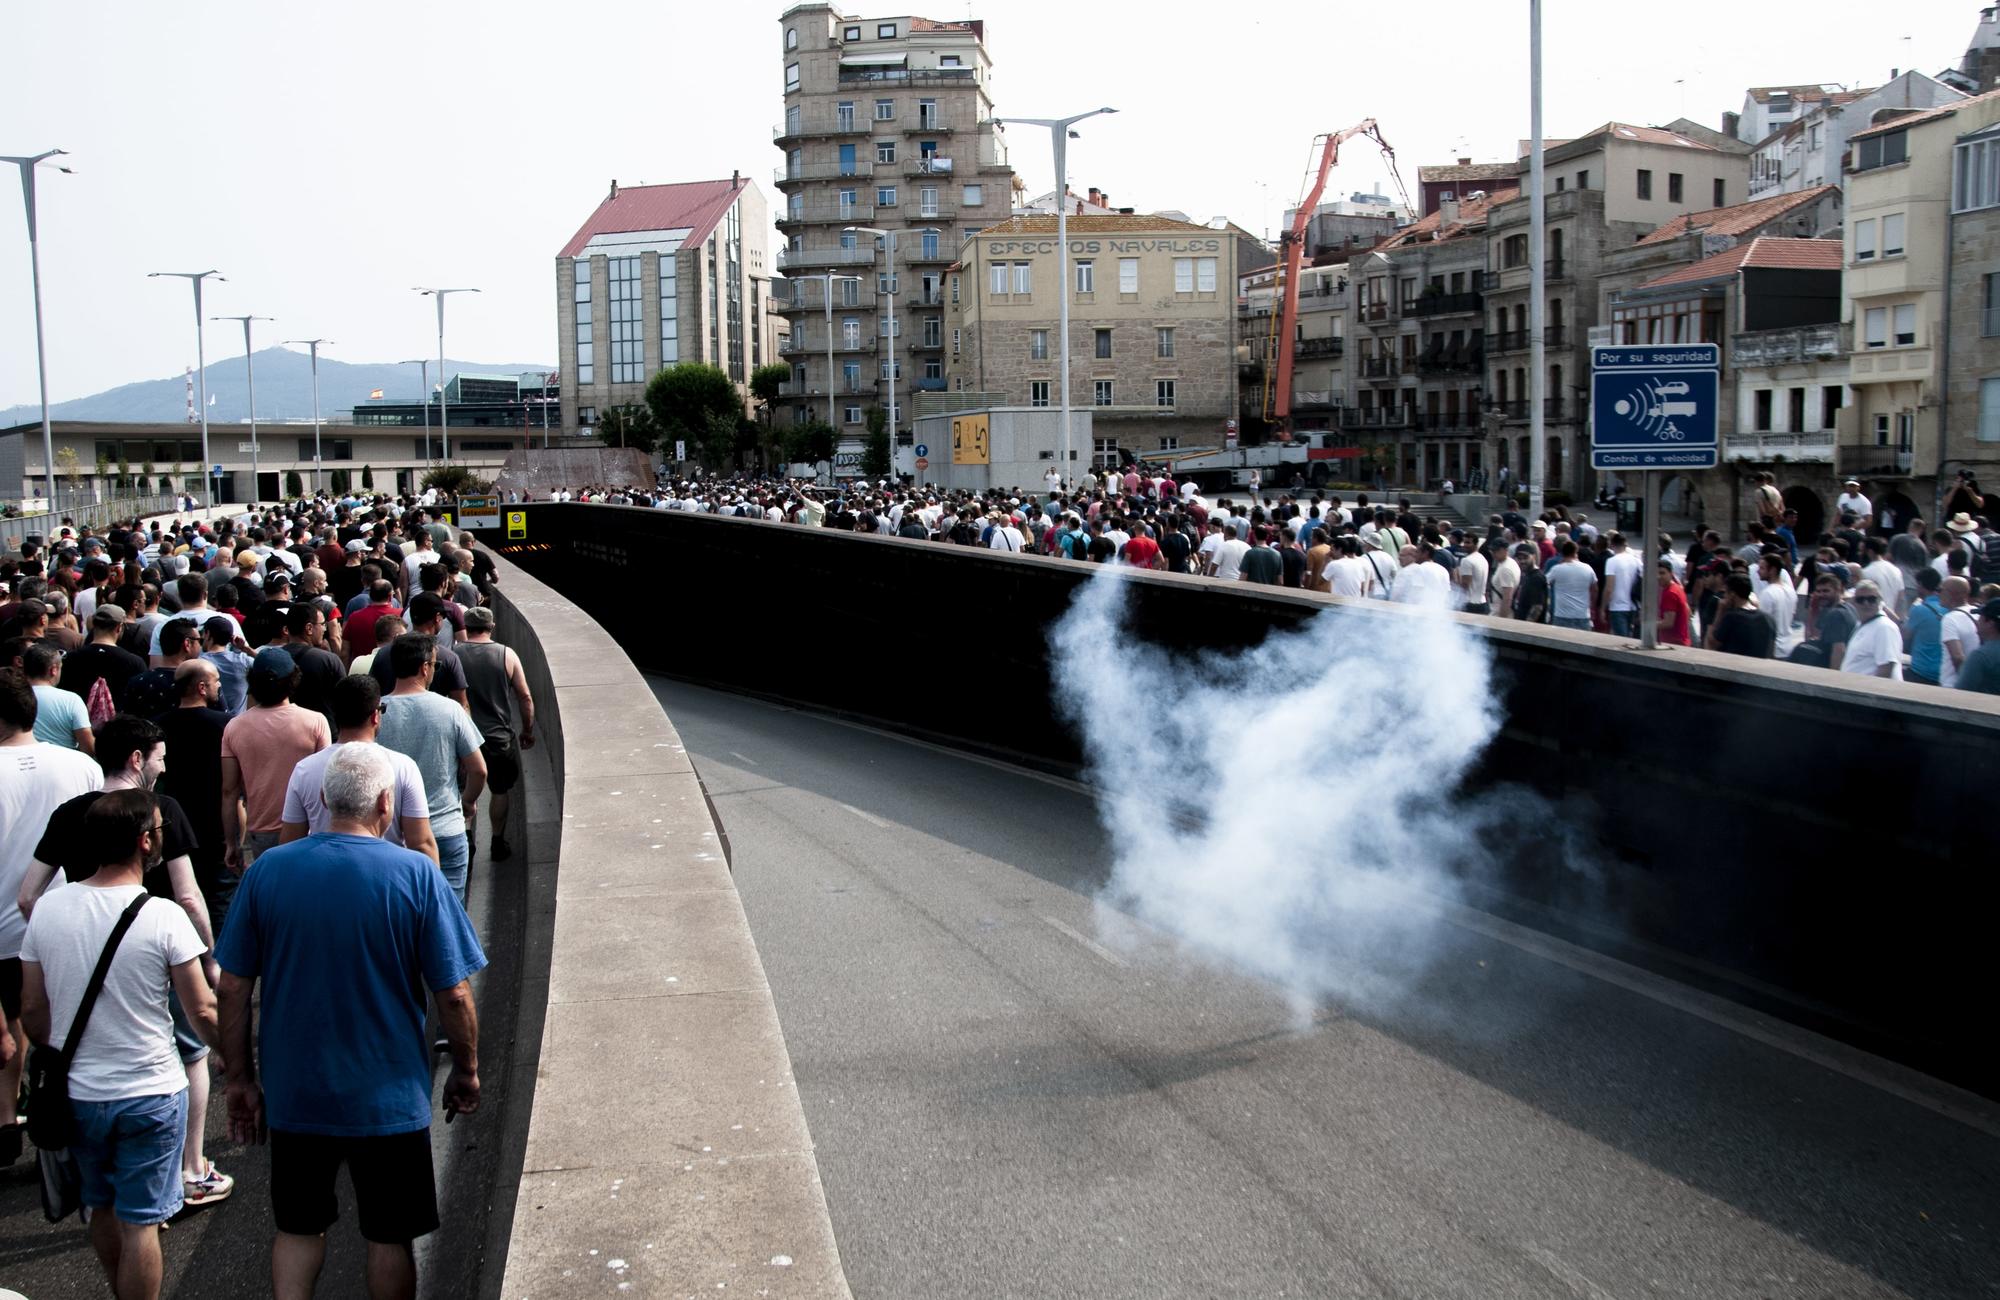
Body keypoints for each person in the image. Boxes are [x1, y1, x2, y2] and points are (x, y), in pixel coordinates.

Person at [216, 745, 485, 1300]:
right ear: (386, 804)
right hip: (388, 1096)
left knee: (298, 1226)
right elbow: (454, 994)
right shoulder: (414, 874)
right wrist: (466, 1069)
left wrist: (241, 1079)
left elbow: (234, 985)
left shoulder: (268, 871)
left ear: (321, 798)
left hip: (297, 1091)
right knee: (389, 1235)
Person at [18, 715, 233, 1209]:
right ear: (137, 759)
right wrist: (208, 957)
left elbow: (29, 897)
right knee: (190, 1051)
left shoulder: (70, 813)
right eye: (160, 756)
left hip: (81, 954)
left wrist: (59, 934)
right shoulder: (162, 809)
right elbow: (189, 896)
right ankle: (191, 1168)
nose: (163, 765)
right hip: (162, 948)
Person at [21, 790, 221, 1299]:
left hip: (80, 1094)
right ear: (145, 841)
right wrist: (237, 1063)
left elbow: (33, 1013)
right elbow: (200, 1010)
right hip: (151, 1089)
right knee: (142, 1224)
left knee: (102, 1206)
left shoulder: (47, 911)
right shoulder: (164, 916)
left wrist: (54, 1051)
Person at [0, 667, 104, 1163]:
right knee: (55, 1022)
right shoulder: (80, 766)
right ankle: (56, 1113)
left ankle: (7, 1117)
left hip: (5, 926)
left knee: (14, 1021)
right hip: (65, 919)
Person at [280, 674, 438, 863]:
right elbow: (421, 843)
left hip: (324, 879)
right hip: (387, 880)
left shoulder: (304, 770)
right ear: (375, 716)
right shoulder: (404, 767)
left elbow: (290, 843)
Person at [376, 636, 486, 904]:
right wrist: (468, 801)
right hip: (444, 829)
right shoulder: (449, 709)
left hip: (391, 837)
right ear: (425, 668)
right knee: (448, 915)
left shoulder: (376, 711)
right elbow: (479, 770)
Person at [221, 647, 332, 876]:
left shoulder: (234, 727)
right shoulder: (315, 722)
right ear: (293, 680)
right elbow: (327, 782)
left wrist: (232, 843)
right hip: (309, 827)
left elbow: (229, 791)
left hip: (261, 829)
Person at [454, 608, 536, 861]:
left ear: (466, 626)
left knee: (463, 789)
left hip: (463, 737)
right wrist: (527, 730)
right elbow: (525, 696)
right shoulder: (506, 654)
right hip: (498, 736)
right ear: (492, 626)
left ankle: (466, 835)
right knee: (500, 789)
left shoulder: (453, 655)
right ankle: (497, 842)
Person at [61, 604, 146, 714]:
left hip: (75, 724)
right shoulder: (134, 663)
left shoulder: (70, 658)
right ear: (119, 627)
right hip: (119, 727)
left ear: (93, 625)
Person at [25, 641, 93, 752]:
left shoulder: (11, 697)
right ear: (54, 670)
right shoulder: (71, 700)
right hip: (64, 765)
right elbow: (88, 746)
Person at [1840, 579, 1903, 681]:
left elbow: (1886, 670)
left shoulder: (1884, 627)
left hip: (1870, 694)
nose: (1866, 603)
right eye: (1861, 599)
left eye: (1871, 599)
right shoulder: (1862, 624)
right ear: (1854, 602)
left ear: (1880, 601)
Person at [1704, 574, 1774, 658]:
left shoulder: (1732, 618)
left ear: (1732, 594)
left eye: (1726, 593)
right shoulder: (1768, 619)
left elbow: (1712, 644)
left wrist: (1720, 612)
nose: (1724, 597)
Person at [1904, 568, 1947, 687]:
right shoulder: (1948, 608)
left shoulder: (1918, 609)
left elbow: (1906, 638)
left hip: (1920, 672)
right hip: (1942, 674)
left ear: (1921, 585)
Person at [1544, 540, 1597, 631]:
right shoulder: (1588, 568)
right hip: (1582, 615)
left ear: (1562, 554)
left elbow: (1544, 582)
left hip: (1562, 615)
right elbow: (1595, 589)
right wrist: (1592, 606)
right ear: (1576, 553)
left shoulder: (1557, 569)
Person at [1598, 532, 1643, 637]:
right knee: (1634, 641)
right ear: (1626, 544)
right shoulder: (1637, 561)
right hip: (1635, 606)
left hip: (1617, 607)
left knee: (1622, 640)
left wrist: (1603, 608)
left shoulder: (1612, 561)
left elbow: (1609, 588)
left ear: (1611, 545)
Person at [1953, 598, 2000, 694]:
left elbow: (1960, 694)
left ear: (1990, 623)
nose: (1977, 622)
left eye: (1980, 617)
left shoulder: (1981, 656)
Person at [1656, 557, 1692, 646]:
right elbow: (1688, 611)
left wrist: (1647, 626)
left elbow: (1668, 623)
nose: (1658, 576)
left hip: (1673, 644)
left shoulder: (1670, 593)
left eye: (1662, 573)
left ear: (1671, 574)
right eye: (1656, 573)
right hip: (1681, 641)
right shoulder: (1678, 588)